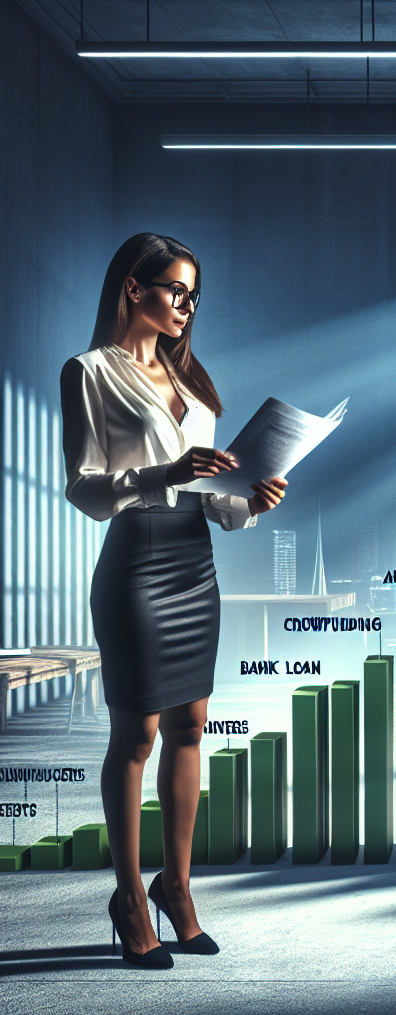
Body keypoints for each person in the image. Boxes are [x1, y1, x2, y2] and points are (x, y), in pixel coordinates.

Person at [60, 233, 287, 969]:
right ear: (134, 289)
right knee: (137, 735)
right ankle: (129, 898)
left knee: (191, 724)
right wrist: (165, 470)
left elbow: (213, 500)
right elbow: (85, 490)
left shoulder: (194, 385)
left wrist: (251, 500)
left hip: (195, 558)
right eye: (174, 290)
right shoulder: (88, 372)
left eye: (193, 295)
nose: (186, 306)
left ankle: (178, 888)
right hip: (135, 559)